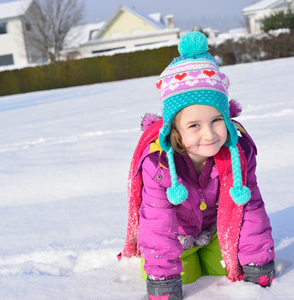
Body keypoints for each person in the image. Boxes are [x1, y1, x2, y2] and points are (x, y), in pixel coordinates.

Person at [118, 31, 275, 299]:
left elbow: (251, 207)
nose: (210, 134)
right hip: (176, 237)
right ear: (174, 130)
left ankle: (214, 254)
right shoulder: (159, 164)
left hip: (216, 230)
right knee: (186, 274)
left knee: (226, 268)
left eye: (217, 120)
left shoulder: (238, 152)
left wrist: (257, 263)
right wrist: (163, 281)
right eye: (194, 125)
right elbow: (156, 224)